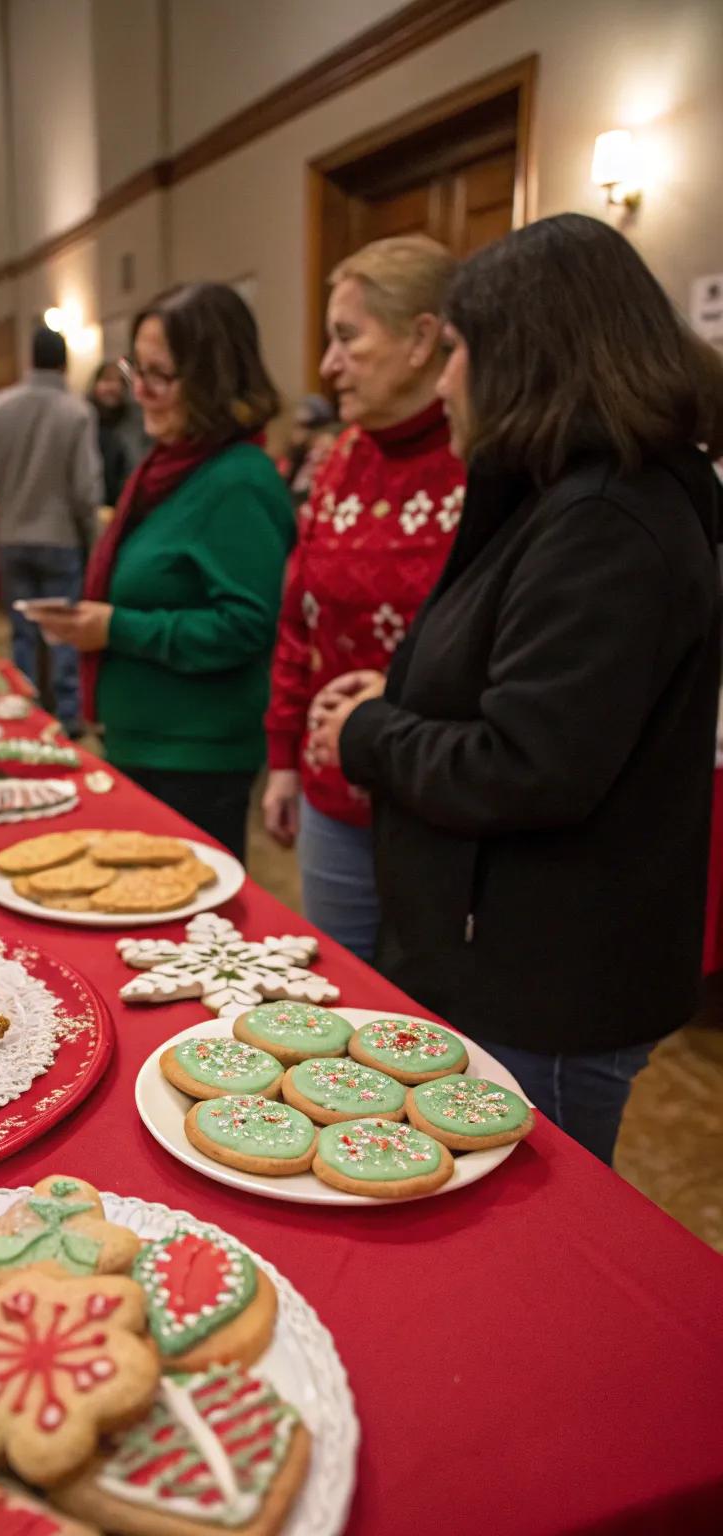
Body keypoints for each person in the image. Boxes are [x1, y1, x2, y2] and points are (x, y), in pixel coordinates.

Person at [308, 213, 723, 1165]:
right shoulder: (559, 493)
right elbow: (517, 681)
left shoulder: (609, 520)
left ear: (528, 354)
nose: (443, 376)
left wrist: (373, 734)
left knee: (539, 1239)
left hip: (553, 984)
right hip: (505, 959)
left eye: (455, 350)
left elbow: (533, 763)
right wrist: (402, 693)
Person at [31, 282, 293, 863]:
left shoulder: (237, 480)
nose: (140, 392)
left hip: (194, 759)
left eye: (160, 376)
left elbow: (250, 626)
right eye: (135, 370)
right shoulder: (170, 464)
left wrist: (116, 629)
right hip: (148, 747)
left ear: (214, 379)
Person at [263, 236, 463, 960]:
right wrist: (284, 757)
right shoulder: (339, 459)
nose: (327, 366)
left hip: (444, 801)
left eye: (348, 337)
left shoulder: (483, 464)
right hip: (333, 792)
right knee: (342, 1001)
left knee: (427, 1030)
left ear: (421, 339)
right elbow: (299, 620)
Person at [0, 324, 102, 733]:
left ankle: (26, 708)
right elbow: (85, 488)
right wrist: (94, 542)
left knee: (23, 632)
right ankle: (67, 716)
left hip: (12, 538)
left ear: (30, 361)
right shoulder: (76, 411)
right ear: (65, 363)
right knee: (64, 633)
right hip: (61, 537)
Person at [88, 359, 148, 506]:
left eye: (119, 382)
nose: (112, 387)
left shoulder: (134, 422)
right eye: (107, 380)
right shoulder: (84, 420)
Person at [275, 393, 337, 507]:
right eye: (294, 425)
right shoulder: (294, 455)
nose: (295, 433)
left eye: (303, 426)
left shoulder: (324, 454)